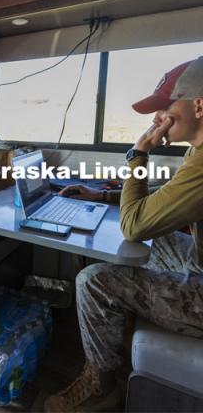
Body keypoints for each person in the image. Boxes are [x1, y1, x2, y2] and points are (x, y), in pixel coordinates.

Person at [43, 58, 203, 412]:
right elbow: (168, 196)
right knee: (155, 238)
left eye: (165, 108)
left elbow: (134, 225)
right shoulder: (197, 151)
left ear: (199, 105)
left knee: (94, 281)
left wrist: (139, 153)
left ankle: (102, 385)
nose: (157, 118)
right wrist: (101, 195)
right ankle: (122, 326)